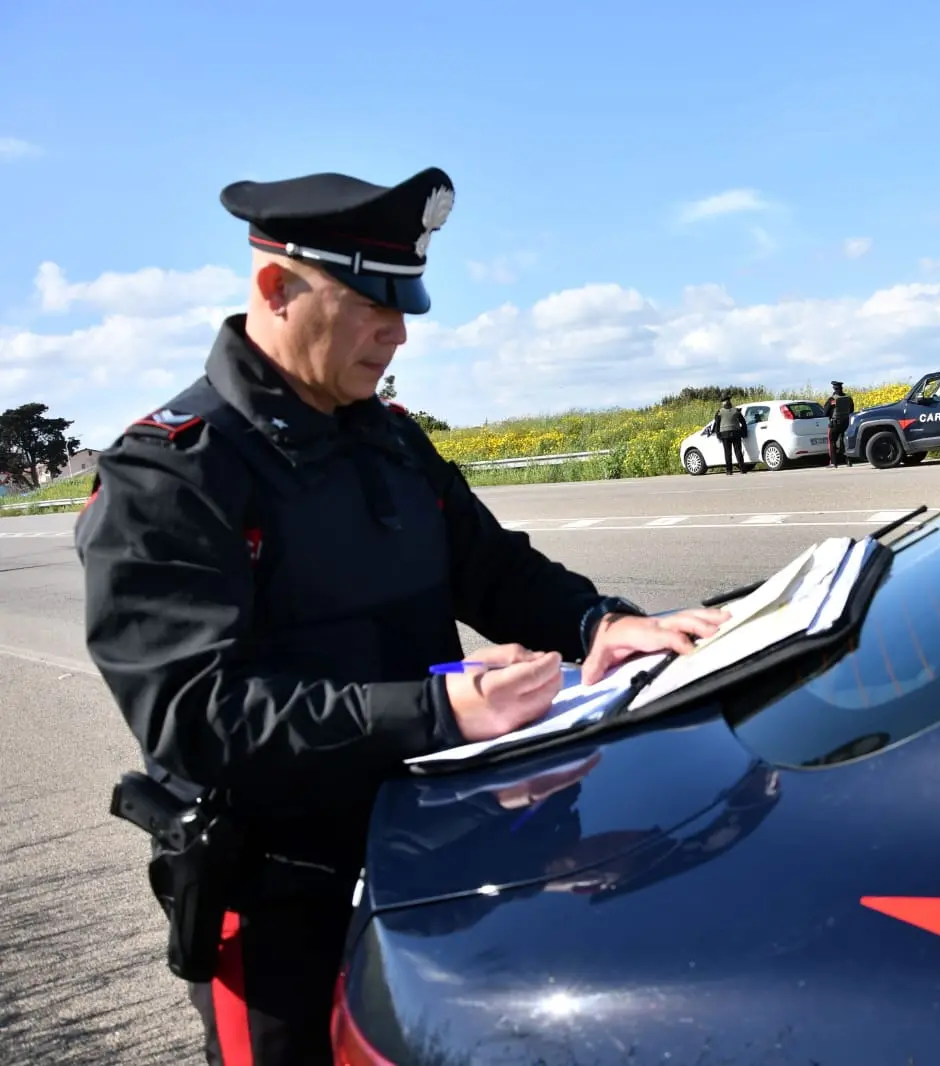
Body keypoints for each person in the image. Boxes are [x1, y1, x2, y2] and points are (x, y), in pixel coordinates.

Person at [72, 165, 730, 1066]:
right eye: (370, 305)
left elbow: (488, 566)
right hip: (283, 906)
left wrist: (594, 624)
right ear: (275, 288)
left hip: (437, 860)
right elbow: (193, 714)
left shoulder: (384, 433)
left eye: (405, 306)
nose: (398, 334)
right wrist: (441, 712)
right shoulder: (171, 475)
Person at [823, 380, 854, 467]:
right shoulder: (848, 398)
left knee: (832, 441)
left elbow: (825, 413)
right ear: (841, 388)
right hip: (846, 423)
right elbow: (851, 410)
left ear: (834, 388)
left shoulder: (832, 399)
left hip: (835, 424)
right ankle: (849, 461)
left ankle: (834, 462)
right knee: (844, 442)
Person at [714, 395, 749, 474]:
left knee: (727, 453)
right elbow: (743, 422)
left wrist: (718, 435)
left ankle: (729, 470)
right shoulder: (736, 411)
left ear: (723, 403)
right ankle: (742, 469)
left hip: (725, 435)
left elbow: (717, 424)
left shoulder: (719, 412)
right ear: (730, 402)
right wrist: (744, 433)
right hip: (736, 433)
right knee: (738, 451)